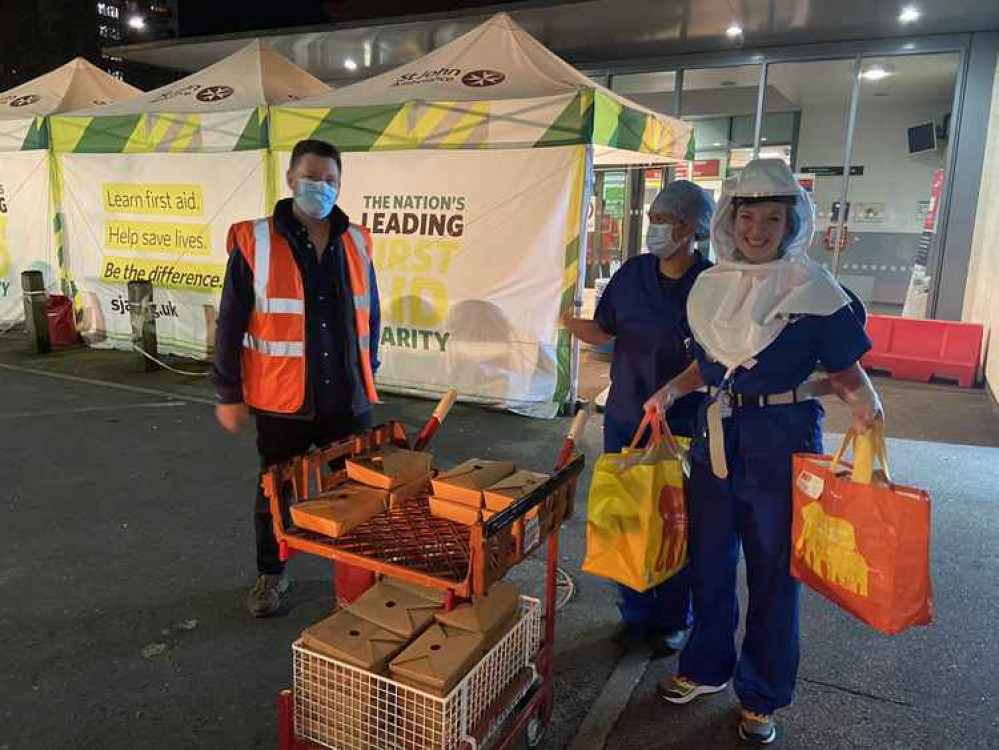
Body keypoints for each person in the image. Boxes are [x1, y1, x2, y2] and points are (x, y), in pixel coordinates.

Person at [645, 160, 882, 745]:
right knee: (709, 559)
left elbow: (846, 371)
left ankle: (762, 694)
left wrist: (867, 408)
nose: (756, 229)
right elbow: (709, 365)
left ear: (790, 223)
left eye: (770, 218)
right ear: (729, 221)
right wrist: (670, 391)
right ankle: (704, 667)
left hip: (783, 441)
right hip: (716, 439)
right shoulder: (711, 287)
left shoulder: (815, 290)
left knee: (776, 572)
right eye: (747, 216)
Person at [213, 138, 380, 617]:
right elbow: (231, 322)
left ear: (340, 184)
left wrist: (370, 369)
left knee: (356, 494)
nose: (321, 188)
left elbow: (371, 314)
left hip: (347, 398)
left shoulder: (356, 240)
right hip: (284, 400)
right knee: (276, 494)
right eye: (311, 177)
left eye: (330, 180)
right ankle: (271, 574)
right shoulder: (256, 241)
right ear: (290, 178)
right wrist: (228, 392)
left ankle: (358, 577)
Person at [565, 180, 715, 656]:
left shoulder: (710, 286)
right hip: (627, 415)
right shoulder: (632, 274)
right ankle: (634, 612)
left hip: (683, 425)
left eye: (668, 221)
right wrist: (563, 322)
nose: (657, 229)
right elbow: (606, 331)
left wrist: (671, 392)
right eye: (654, 219)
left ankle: (672, 618)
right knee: (627, 517)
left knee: (673, 521)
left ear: (695, 229)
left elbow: (713, 358)